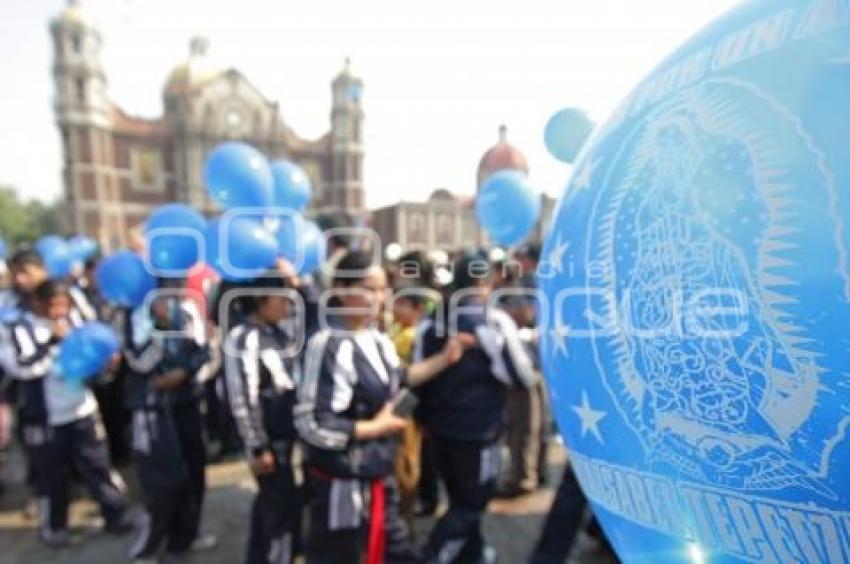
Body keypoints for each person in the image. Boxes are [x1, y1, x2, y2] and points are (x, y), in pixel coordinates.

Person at [295, 250, 472, 564]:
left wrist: (446, 358)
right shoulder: (327, 343)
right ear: (340, 289)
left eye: (384, 289)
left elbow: (399, 378)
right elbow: (311, 422)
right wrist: (376, 427)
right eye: (370, 288)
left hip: (378, 474)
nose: (380, 297)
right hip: (343, 486)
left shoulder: (376, 337)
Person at [416, 252, 538, 564]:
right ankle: (434, 556)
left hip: (439, 429)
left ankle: (472, 555)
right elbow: (521, 374)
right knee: (471, 503)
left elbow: (418, 374)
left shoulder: (432, 319)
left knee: (459, 499)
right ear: (482, 281)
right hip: (478, 432)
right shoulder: (492, 319)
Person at [2, 279, 132, 547]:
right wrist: (52, 343)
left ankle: (116, 514)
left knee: (97, 465)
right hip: (44, 417)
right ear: (38, 303)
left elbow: (92, 362)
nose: (60, 312)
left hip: (81, 409)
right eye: (54, 305)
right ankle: (55, 527)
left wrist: (104, 364)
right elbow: (20, 367)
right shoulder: (19, 329)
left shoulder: (76, 325)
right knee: (51, 475)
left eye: (65, 305)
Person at [123, 279, 217, 561]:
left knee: (193, 470)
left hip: (186, 402)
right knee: (163, 480)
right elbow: (138, 362)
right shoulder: (133, 316)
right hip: (153, 410)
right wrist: (160, 327)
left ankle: (184, 537)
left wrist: (184, 373)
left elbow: (201, 352)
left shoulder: (186, 312)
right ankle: (149, 544)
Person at [224, 273, 302, 564]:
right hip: (266, 440)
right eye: (281, 299)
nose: (286, 305)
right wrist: (257, 446)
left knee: (273, 503)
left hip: (284, 435)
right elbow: (242, 397)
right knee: (281, 510)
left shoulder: (277, 333)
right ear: (261, 301)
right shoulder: (243, 339)